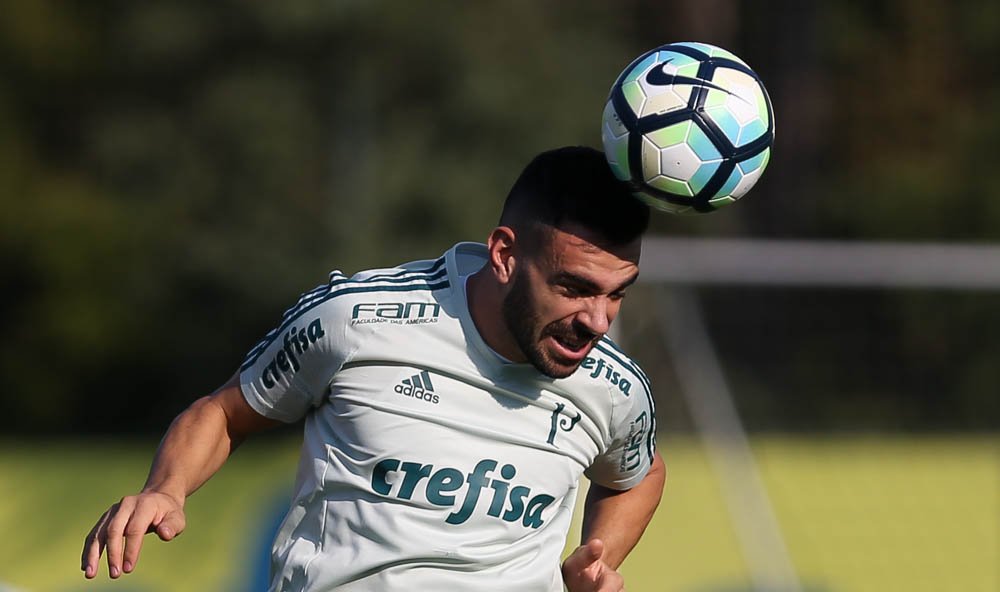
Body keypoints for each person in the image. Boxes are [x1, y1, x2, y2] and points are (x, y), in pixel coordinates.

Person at [82, 146, 666, 591]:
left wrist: (598, 554)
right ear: (505, 256)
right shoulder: (355, 321)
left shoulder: (613, 386)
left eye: (618, 294)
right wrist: (167, 488)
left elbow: (639, 473)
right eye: (574, 288)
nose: (598, 320)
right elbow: (225, 412)